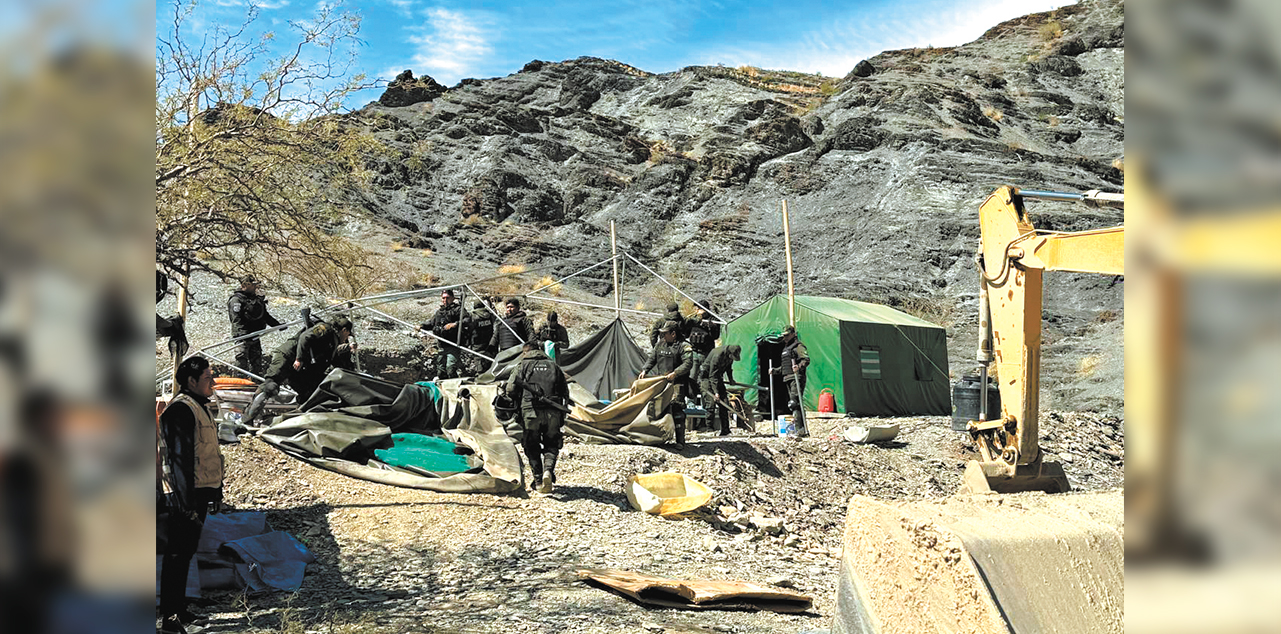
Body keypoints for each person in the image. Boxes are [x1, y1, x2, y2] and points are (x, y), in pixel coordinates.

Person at [158, 356, 222, 633]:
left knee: (186, 553)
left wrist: (216, 491)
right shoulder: (181, 411)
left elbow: (209, 454)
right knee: (176, 554)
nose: (213, 383)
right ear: (191, 381)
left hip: (200, 492)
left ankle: (180, 609)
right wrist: (186, 505)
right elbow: (180, 461)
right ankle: (170, 618)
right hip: (185, 497)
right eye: (208, 378)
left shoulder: (201, 408)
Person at [241, 316, 356, 425]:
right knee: (271, 386)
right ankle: (247, 418)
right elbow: (305, 337)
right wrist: (299, 358)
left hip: (300, 368)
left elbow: (334, 361)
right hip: (288, 356)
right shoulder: (325, 329)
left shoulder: (332, 342)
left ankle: (299, 420)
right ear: (344, 330)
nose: (347, 338)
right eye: (348, 335)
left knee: (310, 392)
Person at [506, 340, 569, 493]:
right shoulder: (554, 366)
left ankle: (539, 480)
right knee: (552, 442)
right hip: (553, 411)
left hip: (530, 412)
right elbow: (565, 392)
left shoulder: (522, 365)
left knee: (531, 444)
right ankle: (548, 470)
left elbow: (510, 389)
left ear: (525, 352)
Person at [640, 321, 694, 446]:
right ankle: (660, 438)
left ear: (673, 334)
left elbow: (688, 363)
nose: (663, 336)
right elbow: (652, 358)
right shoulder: (660, 344)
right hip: (661, 382)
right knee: (659, 409)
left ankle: (680, 441)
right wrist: (645, 370)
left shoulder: (684, 346)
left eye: (665, 334)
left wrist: (675, 373)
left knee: (677, 410)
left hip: (677, 384)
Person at [227, 274, 282, 375]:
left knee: (257, 361)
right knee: (241, 360)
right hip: (243, 337)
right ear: (245, 285)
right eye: (253, 285)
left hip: (255, 335)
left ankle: (256, 382)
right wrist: (242, 335)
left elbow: (265, 316)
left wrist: (278, 325)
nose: (256, 287)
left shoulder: (256, 300)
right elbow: (236, 319)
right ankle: (238, 382)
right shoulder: (236, 300)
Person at [685, 300, 720, 428]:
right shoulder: (693, 319)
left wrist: (710, 326)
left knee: (705, 381)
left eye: (699, 309)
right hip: (694, 353)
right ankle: (690, 402)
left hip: (707, 354)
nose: (697, 311)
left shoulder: (713, 320)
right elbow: (685, 332)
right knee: (691, 379)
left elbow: (716, 336)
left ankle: (707, 408)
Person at [419, 289, 467, 379]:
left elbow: (467, 320)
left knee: (450, 368)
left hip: (453, 344)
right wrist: (421, 326)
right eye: (443, 298)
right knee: (441, 371)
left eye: (447, 298)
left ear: (452, 298)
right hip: (441, 345)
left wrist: (454, 324)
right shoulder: (439, 312)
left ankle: (455, 385)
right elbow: (431, 324)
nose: (445, 300)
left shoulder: (458, 310)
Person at [772, 326, 810, 437]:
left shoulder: (798, 346)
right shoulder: (786, 349)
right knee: (793, 404)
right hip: (788, 378)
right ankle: (799, 429)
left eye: (787, 335)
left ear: (793, 334)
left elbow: (806, 360)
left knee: (794, 403)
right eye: (784, 336)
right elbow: (785, 366)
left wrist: (798, 366)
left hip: (797, 378)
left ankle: (800, 429)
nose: (785, 338)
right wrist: (775, 371)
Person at [700, 344, 741, 436]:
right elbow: (712, 375)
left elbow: (728, 369)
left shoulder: (729, 357)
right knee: (711, 403)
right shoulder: (718, 355)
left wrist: (731, 379)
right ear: (729, 353)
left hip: (717, 377)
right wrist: (716, 392)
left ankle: (725, 430)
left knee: (724, 403)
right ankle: (709, 429)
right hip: (706, 378)